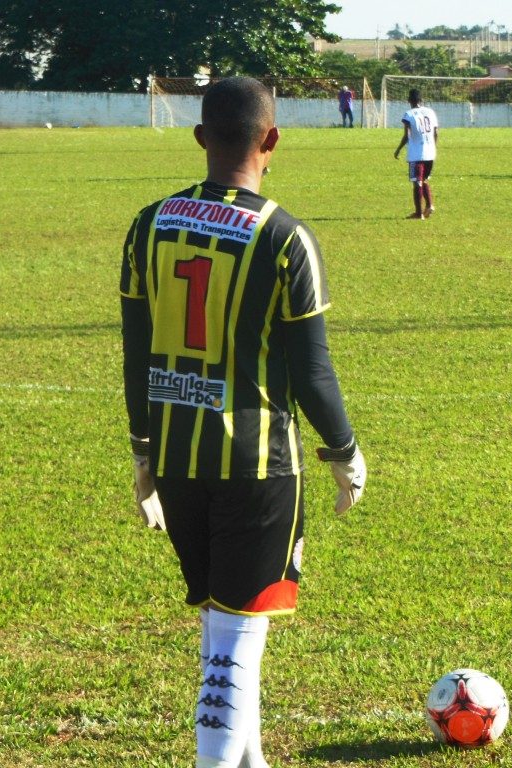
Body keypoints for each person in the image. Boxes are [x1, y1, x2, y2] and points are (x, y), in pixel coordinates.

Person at [120, 76, 366, 768]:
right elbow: (313, 371)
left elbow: (136, 350)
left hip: (176, 460)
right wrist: (345, 451)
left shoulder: (149, 225)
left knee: (222, 622)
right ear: (273, 140)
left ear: (200, 137)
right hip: (257, 468)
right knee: (233, 642)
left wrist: (143, 450)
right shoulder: (285, 238)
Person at [393, 89, 439, 220]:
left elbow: (406, 136)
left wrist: (398, 150)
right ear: (421, 100)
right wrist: (433, 147)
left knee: (417, 182)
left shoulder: (409, 114)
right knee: (423, 180)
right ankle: (429, 205)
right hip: (431, 153)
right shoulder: (430, 112)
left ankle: (419, 214)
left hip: (416, 154)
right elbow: (436, 133)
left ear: (409, 100)